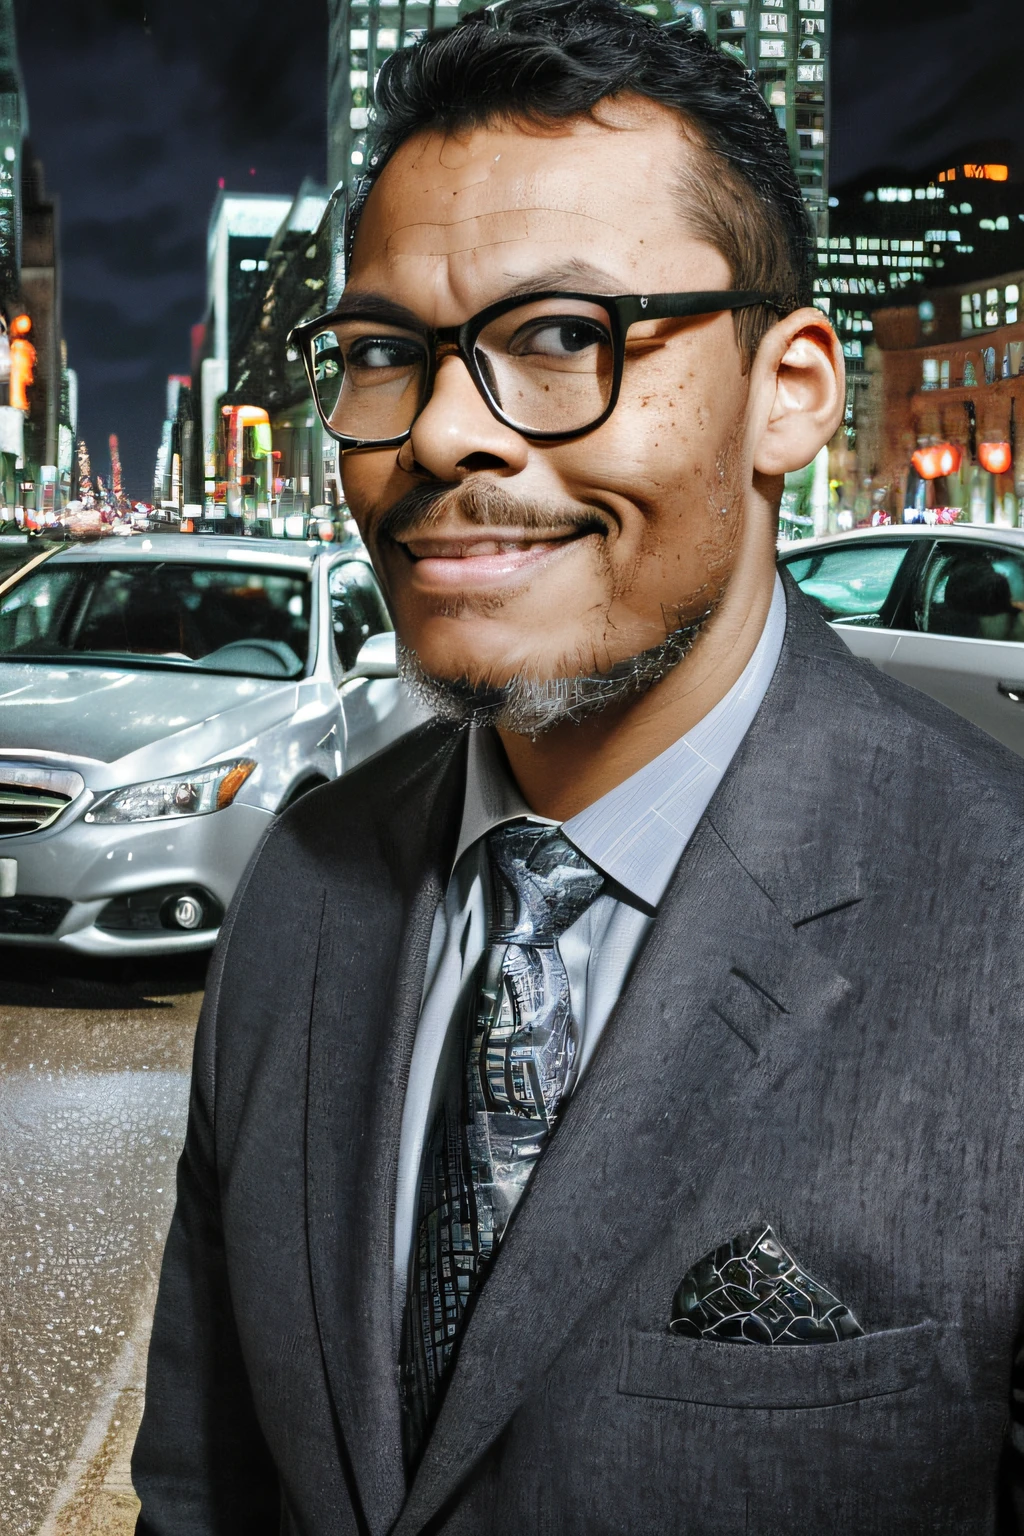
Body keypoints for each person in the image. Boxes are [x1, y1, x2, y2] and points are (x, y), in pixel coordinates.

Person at [133, 2, 1024, 1531]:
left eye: (562, 339)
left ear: (790, 389)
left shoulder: (999, 918)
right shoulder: (299, 884)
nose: (444, 436)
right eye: (384, 354)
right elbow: (203, 1484)